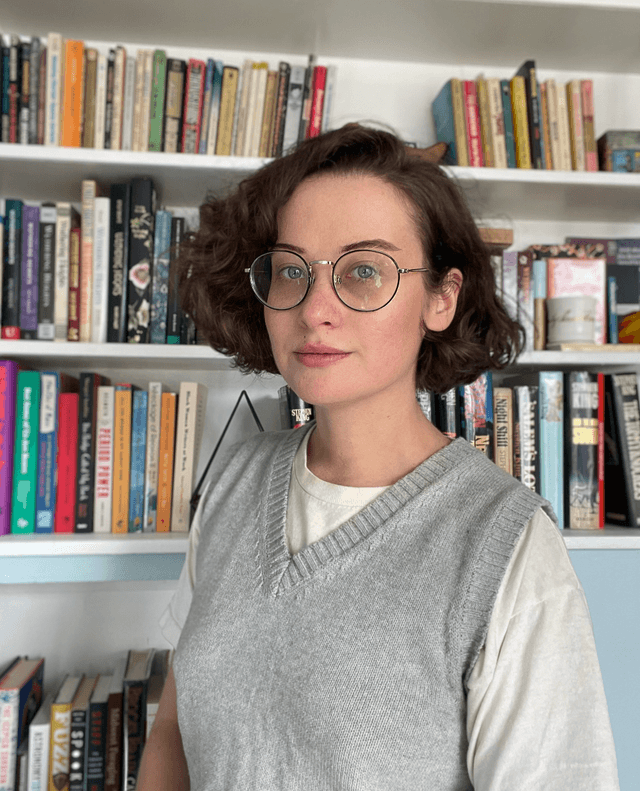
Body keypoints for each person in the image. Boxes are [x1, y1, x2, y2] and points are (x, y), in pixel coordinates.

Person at [137, 124, 619, 791]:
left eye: (363, 271)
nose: (316, 309)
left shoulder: (506, 547)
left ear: (441, 298)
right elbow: (174, 725)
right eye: (292, 270)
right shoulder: (233, 481)